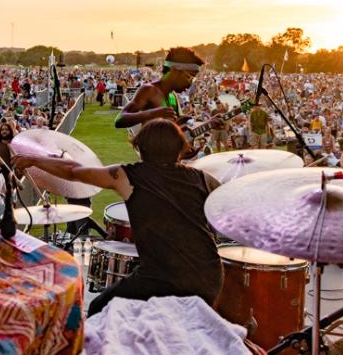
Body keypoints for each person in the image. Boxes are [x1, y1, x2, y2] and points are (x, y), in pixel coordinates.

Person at [14, 118, 222, 317]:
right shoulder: (202, 179)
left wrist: (34, 159)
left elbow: (73, 171)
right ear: (180, 149)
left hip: (162, 276)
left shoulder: (129, 176)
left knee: (99, 308)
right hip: (209, 275)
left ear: (141, 148)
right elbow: (228, 203)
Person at [115, 47, 213, 138]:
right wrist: (151, 113)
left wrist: (209, 123)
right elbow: (120, 119)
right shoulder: (149, 90)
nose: (191, 83)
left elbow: (174, 129)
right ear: (174, 70)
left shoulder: (173, 96)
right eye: (190, 77)